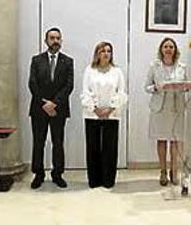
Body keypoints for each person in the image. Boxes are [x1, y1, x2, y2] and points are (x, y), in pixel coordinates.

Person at [28, 27, 74, 189]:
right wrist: (44, 104)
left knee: (58, 142)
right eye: (52, 38)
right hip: (39, 109)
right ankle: (38, 174)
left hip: (58, 109)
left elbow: (69, 86)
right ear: (46, 40)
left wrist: (54, 103)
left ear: (61, 41)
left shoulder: (68, 61)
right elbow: (32, 84)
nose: (55, 41)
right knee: (39, 142)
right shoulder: (36, 60)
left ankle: (57, 174)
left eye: (58, 38)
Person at [81, 41, 127, 188]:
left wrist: (110, 109)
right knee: (92, 147)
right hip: (92, 114)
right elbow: (85, 92)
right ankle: (94, 180)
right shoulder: (89, 70)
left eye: (108, 51)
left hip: (111, 115)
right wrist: (95, 108)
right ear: (97, 54)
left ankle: (108, 180)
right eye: (103, 51)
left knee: (110, 148)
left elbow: (121, 93)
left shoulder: (117, 71)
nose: (106, 54)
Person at [144, 37, 188, 189]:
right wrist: (157, 87)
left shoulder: (182, 67)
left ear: (175, 50)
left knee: (175, 141)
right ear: (161, 50)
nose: (168, 49)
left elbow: (185, 85)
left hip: (176, 107)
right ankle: (163, 171)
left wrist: (187, 86)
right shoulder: (154, 66)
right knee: (161, 140)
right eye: (165, 46)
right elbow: (147, 87)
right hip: (160, 108)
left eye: (171, 47)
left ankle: (173, 170)